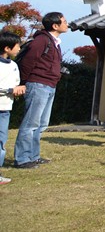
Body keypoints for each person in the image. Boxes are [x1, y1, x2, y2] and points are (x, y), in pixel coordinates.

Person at [14, 12, 68, 169]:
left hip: (49, 85)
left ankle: (33, 155)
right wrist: (23, 82)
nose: (67, 24)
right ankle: (22, 158)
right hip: (37, 84)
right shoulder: (42, 40)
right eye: (64, 21)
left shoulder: (54, 42)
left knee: (41, 124)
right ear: (55, 25)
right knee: (31, 123)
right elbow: (28, 62)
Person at [0, 32, 26, 183]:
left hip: (5, 108)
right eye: (17, 46)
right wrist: (9, 90)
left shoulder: (14, 66)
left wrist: (18, 89)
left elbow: (15, 84)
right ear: (7, 48)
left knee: (2, 141)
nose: (19, 48)